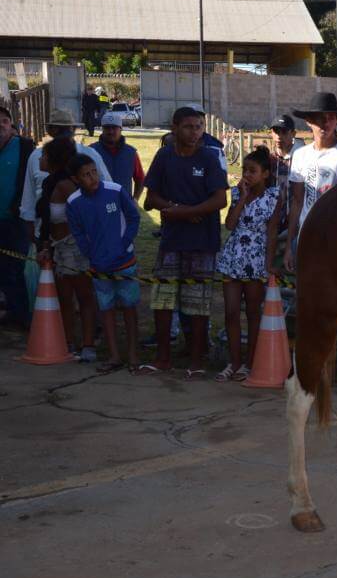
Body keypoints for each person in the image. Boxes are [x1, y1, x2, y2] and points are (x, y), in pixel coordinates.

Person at [141, 106, 229, 378]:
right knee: (163, 300)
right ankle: (163, 358)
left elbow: (220, 199)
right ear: (175, 127)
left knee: (198, 303)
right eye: (189, 127)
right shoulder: (164, 156)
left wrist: (185, 212)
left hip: (203, 242)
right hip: (171, 241)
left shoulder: (209, 158)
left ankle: (196, 361)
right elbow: (150, 198)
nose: (195, 132)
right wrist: (178, 209)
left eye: (199, 127)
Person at [66, 154, 141, 373]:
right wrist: (91, 255)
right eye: (85, 175)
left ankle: (133, 354)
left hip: (125, 262)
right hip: (98, 267)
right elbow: (78, 233)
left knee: (129, 308)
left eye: (93, 172)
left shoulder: (115, 190)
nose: (92, 178)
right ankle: (114, 355)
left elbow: (133, 217)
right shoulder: (74, 203)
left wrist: (124, 243)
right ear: (75, 179)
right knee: (106, 309)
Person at [216, 147, 281, 382]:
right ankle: (233, 363)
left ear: (265, 173)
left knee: (253, 314)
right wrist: (242, 198)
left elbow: (272, 232)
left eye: (253, 171)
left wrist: (269, 263)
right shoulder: (237, 193)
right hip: (233, 258)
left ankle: (250, 363)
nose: (247, 175)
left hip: (255, 260)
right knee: (231, 313)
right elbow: (230, 225)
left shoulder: (275, 196)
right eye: (245, 170)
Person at [284, 92, 337, 272]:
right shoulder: (300, 155)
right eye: (319, 119)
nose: (325, 123)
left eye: (330, 118)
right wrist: (290, 245)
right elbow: (296, 201)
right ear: (308, 121)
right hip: (307, 235)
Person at [35, 137, 98, 362]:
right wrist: (46, 244)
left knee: (83, 295)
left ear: (54, 159)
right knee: (64, 297)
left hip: (75, 245)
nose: (40, 159)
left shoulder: (66, 185)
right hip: (57, 245)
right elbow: (45, 218)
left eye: (44, 155)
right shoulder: (50, 182)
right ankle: (68, 341)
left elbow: (86, 215)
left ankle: (88, 343)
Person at [20, 109, 112, 244]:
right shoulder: (36, 157)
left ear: (73, 129)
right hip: (46, 236)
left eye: (67, 129)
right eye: (57, 128)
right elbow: (29, 197)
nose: (63, 134)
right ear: (51, 131)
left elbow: (106, 191)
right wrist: (33, 234)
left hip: (83, 239)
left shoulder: (90, 155)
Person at [0, 106, 34, 329]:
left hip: (16, 220)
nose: (0, 125)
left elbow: (30, 180)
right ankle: (12, 310)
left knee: (17, 267)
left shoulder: (24, 147)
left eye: (4, 120)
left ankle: (23, 316)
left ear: (11, 125)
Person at [90, 114, 144, 200]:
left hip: (123, 206)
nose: (111, 131)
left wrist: (135, 200)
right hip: (98, 205)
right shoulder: (91, 151)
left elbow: (140, 179)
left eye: (114, 128)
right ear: (102, 129)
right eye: (107, 128)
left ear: (120, 129)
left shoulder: (131, 153)